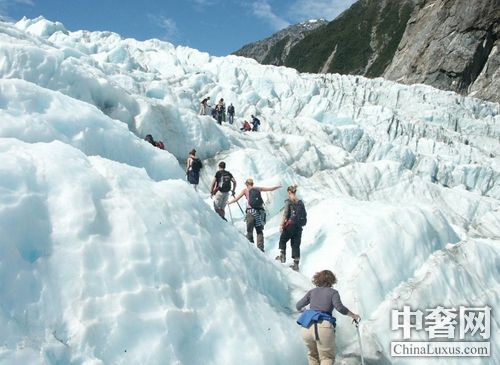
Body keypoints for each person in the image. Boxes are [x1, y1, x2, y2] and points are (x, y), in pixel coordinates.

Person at [296, 270, 361, 365]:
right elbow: (339, 308)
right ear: (331, 280)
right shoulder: (333, 293)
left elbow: (298, 305)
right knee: (326, 357)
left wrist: (304, 311)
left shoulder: (312, 292)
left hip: (307, 326)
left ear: (317, 279)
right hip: (324, 326)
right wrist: (353, 315)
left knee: (313, 356)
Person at [228, 178, 281, 252]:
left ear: (247, 184)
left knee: (249, 230)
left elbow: (236, 199)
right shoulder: (258, 189)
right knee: (259, 231)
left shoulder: (245, 190)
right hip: (259, 213)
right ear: (252, 184)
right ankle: (261, 248)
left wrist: (229, 202)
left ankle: (251, 248)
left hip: (251, 212)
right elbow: (270, 189)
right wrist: (277, 186)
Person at [276, 185, 307, 271]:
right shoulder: (300, 202)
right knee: (295, 244)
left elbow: (285, 214)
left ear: (289, 192)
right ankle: (296, 264)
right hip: (299, 227)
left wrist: (281, 225)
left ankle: (282, 256)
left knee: (283, 239)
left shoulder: (288, 201)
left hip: (291, 225)